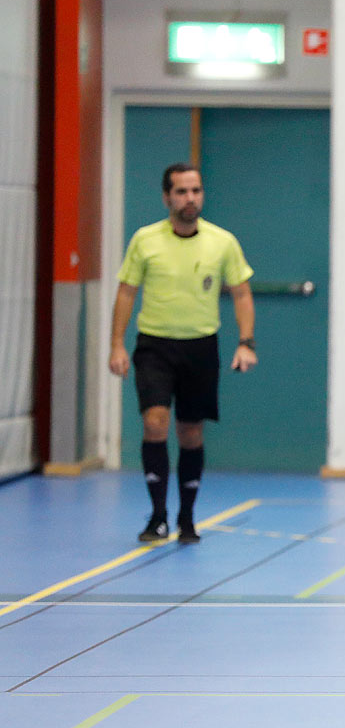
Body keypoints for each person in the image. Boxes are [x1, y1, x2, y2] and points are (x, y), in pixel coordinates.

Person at [109, 163, 256, 544]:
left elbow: (240, 292)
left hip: (200, 346)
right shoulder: (145, 240)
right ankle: (157, 516)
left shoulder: (222, 241)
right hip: (155, 345)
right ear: (166, 197)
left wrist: (246, 341)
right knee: (155, 422)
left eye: (196, 191)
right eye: (181, 192)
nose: (190, 199)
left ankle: (186, 518)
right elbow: (126, 291)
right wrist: (116, 345)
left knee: (190, 431)